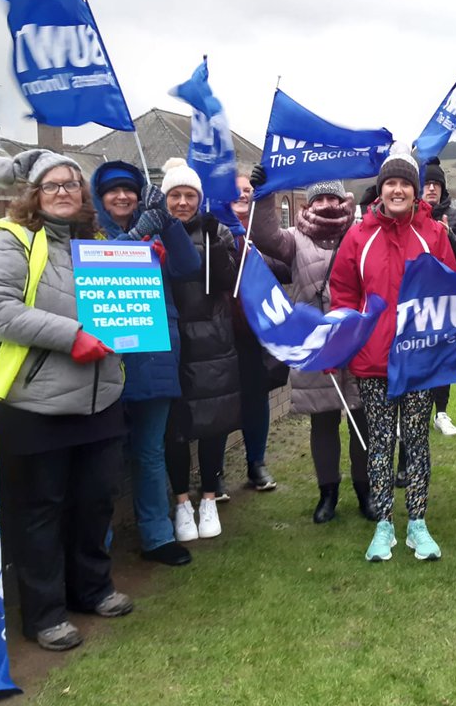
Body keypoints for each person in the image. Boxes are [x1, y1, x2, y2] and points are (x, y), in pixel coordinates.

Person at [0, 149, 132, 651]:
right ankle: (44, 615)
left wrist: (144, 273)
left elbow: (122, 306)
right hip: (37, 402)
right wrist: (70, 336)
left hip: (100, 398)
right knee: (40, 511)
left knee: (95, 502)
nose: (64, 192)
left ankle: (93, 589)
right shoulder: (10, 239)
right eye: (52, 185)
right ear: (33, 194)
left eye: (72, 184)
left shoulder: (96, 242)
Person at [330, 141, 456, 562]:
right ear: (381, 189)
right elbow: (343, 293)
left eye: (405, 183)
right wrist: (346, 337)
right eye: (391, 184)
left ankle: (417, 523)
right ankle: (383, 524)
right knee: (381, 445)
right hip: (374, 361)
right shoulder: (358, 236)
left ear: (415, 190)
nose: (398, 190)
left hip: (419, 360)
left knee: (417, 442)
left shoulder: (433, 233)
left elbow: (449, 288)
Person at [247, 165, 375, 524]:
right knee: (323, 423)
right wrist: (264, 194)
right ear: (309, 202)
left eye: (333, 196)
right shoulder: (294, 239)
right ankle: (327, 493)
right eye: (320, 197)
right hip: (316, 347)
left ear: (343, 198)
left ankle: (365, 490)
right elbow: (264, 234)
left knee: (362, 420)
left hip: (356, 344)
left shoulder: (360, 234)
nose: (327, 203)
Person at [91, 160, 201, 567]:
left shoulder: (154, 227)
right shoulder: (87, 232)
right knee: (101, 456)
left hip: (153, 354)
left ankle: (157, 535)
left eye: (129, 190)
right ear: (99, 196)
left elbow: (189, 267)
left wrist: (167, 222)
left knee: (150, 450)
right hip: (102, 359)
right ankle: (95, 545)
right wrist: (138, 235)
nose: (122, 197)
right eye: (113, 191)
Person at [159, 157, 243, 543]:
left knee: (213, 423)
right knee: (174, 429)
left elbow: (228, 281)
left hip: (212, 342)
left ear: (199, 198)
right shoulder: (154, 233)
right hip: (171, 341)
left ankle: (208, 497)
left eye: (189, 195)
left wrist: (216, 244)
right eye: (175, 195)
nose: (182, 202)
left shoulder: (217, 231)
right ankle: (181, 502)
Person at [228, 170, 289, 492]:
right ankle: (214, 473)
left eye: (248, 190)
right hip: (220, 331)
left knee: (256, 397)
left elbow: (284, 265)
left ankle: (256, 462)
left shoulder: (260, 234)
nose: (242, 194)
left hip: (253, 332)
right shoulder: (214, 227)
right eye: (236, 189)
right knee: (219, 399)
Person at [422, 156, 456, 437]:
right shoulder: (411, 215)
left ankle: (441, 412)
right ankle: (417, 411)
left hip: (447, 297)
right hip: (418, 298)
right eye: (427, 183)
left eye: (436, 184)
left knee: (444, 357)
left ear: (442, 188)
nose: (431, 188)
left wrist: (447, 233)